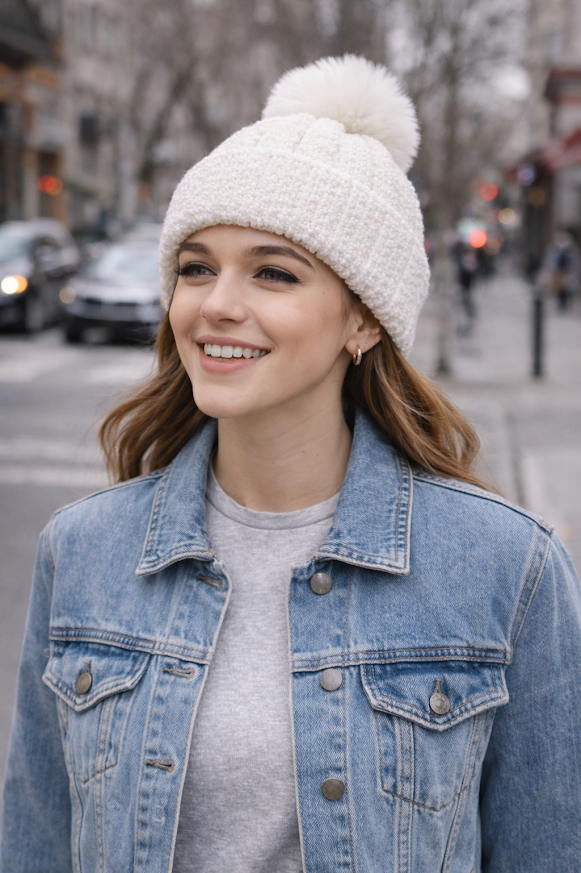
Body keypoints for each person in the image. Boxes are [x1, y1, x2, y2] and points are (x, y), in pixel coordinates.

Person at [2, 56, 580, 873]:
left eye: (272, 272)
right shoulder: (83, 550)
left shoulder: (507, 568)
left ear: (364, 320)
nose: (216, 304)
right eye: (196, 267)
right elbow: (33, 843)